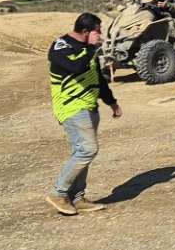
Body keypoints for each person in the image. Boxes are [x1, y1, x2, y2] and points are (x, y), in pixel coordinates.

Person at [46, 13, 122, 215]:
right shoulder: (61, 46)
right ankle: (59, 193)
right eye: (97, 31)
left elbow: (97, 76)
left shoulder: (90, 50)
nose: (100, 35)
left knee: (82, 153)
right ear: (85, 31)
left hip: (89, 107)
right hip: (70, 107)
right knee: (87, 150)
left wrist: (112, 102)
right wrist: (90, 48)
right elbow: (75, 68)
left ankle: (77, 198)